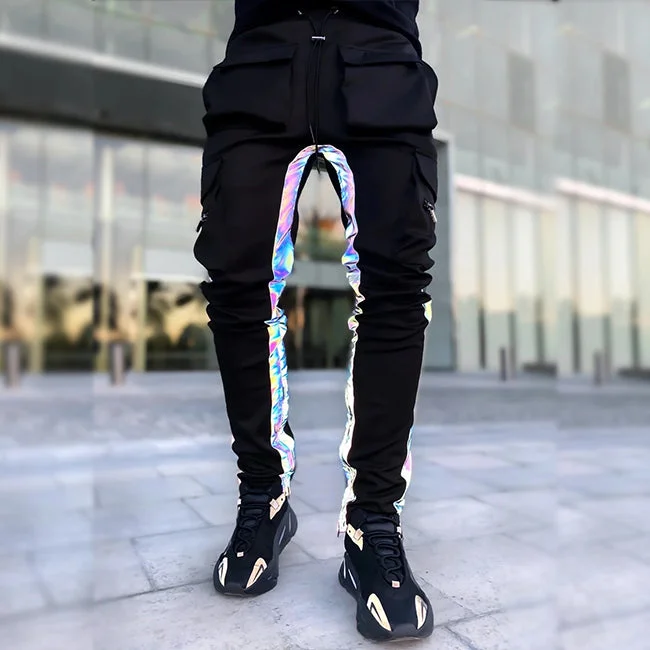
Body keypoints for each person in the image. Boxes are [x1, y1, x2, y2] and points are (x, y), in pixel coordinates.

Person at [194, 0, 439, 641]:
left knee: (395, 288)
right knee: (238, 285)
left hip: (379, 53)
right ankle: (264, 497)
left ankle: (372, 522)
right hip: (263, 56)